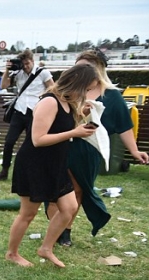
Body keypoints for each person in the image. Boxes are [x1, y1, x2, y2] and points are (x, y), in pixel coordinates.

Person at [46, 49, 149, 246]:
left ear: (99, 70)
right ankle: (54, 230)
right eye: (78, 67)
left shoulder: (111, 95)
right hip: (61, 145)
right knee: (54, 191)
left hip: (87, 150)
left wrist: (135, 151)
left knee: (77, 190)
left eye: (87, 67)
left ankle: (65, 230)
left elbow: (124, 125)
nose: (82, 71)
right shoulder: (65, 91)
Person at [5, 64, 100, 268]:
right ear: (76, 83)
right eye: (86, 89)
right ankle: (12, 253)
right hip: (34, 163)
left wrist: (81, 115)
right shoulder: (49, 101)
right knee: (28, 213)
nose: (86, 94)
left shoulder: (68, 103)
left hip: (55, 163)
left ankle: (46, 248)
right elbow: (38, 139)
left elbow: (60, 125)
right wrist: (74, 133)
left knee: (69, 207)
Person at [0, 49, 55, 181]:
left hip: (36, 112)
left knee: (33, 143)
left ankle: (35, 171)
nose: (26, 66)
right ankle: (4, 170)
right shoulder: (18, 72)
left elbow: (53, 89)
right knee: (9, 141)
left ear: (32, 61)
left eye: (27, 63)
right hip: (19, 110)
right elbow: (3, 85)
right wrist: (7, 70)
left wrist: (44, 101)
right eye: (23, 64)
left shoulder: (43, 73)